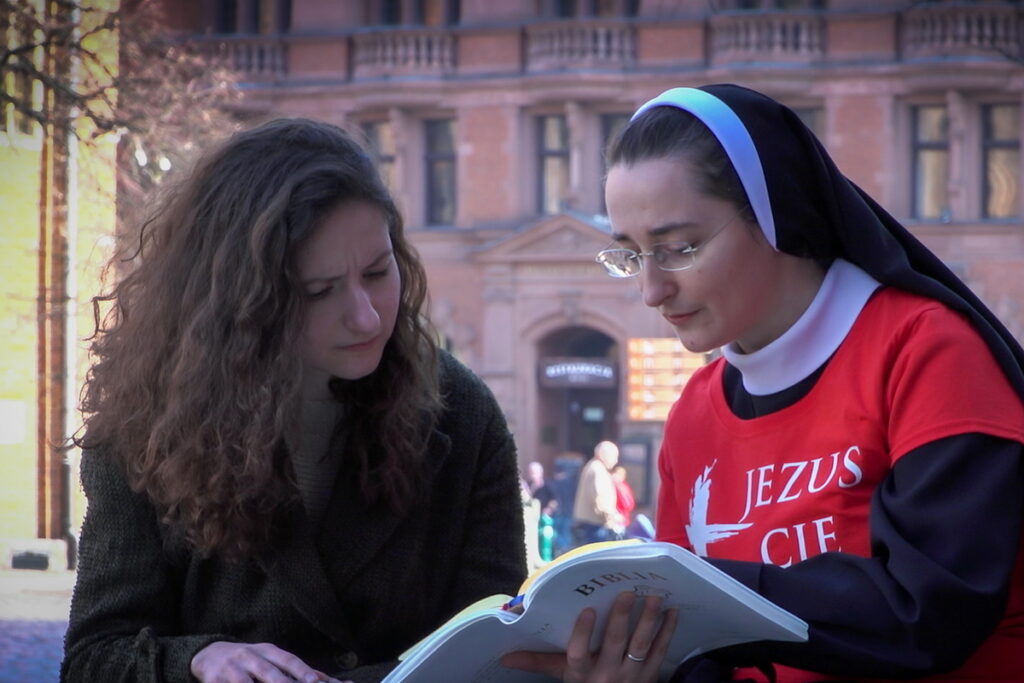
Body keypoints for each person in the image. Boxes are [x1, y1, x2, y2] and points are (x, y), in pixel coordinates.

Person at [508, 83, 1024, 681]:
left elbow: (928, 611)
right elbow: (698, 654)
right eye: (631, 255)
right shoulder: (694, 410)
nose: (652, 290)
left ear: (777, 215)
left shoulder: (927, 350)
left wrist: (706, 594)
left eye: (678, 248)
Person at [61, 118, 527, 683]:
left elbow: (497, 647)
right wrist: (198, 660)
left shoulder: (461, 410)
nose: (366, 317)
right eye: (319, 292)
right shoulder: (143, 424)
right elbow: (94, 657)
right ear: (241, 301)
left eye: (378, 272)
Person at [571, 440, 625, 545]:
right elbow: (599, 499)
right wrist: (612, 516)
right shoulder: (598, 470)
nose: (616, 461)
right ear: (604, 455)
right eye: (614, 456)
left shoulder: (594, 467)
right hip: (595, 524)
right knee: (598, 553)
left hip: (591, 523)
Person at [611, 465, 636, 530]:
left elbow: (627, 503)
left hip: (617, 517)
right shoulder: (622, 485)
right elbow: (629, 504)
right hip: (621, 517)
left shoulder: (618, 485)